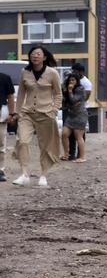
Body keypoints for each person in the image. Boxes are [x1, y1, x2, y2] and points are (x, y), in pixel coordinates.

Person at [9, 45, 63, 187]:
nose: (35, 56)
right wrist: (17, 112)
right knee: (22, 141)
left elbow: (58, 94)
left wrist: (54, 110)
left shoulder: (52, 73)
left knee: (45, 146)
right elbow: (21, 93)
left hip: (46, 114)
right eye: (33, 54)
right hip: (27, 113)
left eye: (38, 54)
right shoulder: (24, 72)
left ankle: (43, 175)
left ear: (44, 57)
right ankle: (24, 174)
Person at [65, 63, 92, 160]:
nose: (73, 73)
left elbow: (86, 96)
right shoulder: (71, 80)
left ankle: (80, 154)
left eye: (75, 71)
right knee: (70, 134)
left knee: (79, 134)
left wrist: (80, 102)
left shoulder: (86, 83)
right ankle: (71, 154)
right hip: (71, 110)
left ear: (81, 72)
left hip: (81, 110)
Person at [60, 74, 88, 163]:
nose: (71, 82)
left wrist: (70, 90)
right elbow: (66, 102)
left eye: (73, 80)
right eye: (70, 80)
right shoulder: (66, 90)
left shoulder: (80, 89)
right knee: (64, 134)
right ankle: (66, 154)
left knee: (78, 136)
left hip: (80, 115)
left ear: (77, 81)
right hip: (71, 115)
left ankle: (82, 156)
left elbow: (73, 100)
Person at [0, 69, 14, 182]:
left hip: (1, 115)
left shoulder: (5, 77)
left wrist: (11, 113)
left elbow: (10, 97)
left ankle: (0, 170)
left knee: (1, 145)